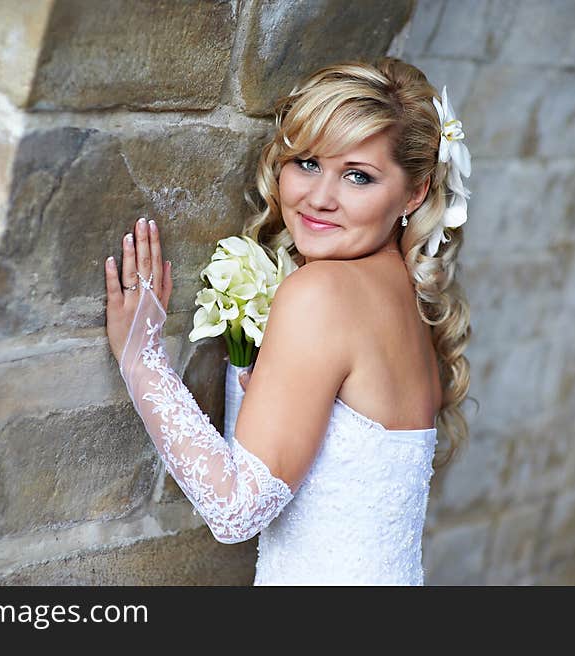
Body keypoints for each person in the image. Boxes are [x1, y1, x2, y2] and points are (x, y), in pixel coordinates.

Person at [104, 56, 472, 585]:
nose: (320, 197)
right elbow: (275, 481)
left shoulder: (323, 292)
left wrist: (142, 361)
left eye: (358, 177)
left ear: (414, 192)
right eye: (307, 162)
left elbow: (236, 512)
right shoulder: (407, 298)